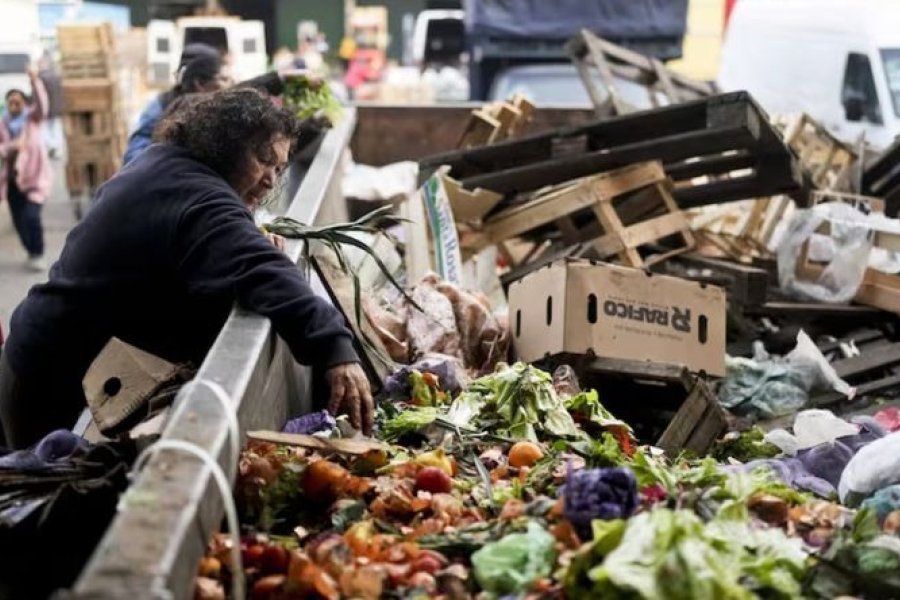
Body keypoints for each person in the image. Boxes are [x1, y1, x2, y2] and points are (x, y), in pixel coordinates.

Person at [0, 86, 373, 449]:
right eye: (263, 159)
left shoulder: (166, 163)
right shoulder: (199, 197)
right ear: (225, 145)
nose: (271, 179)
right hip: (42, 382)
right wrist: (335, 348)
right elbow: (261, 269)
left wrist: (248, 231)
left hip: (41, 355)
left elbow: (218, 240)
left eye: (278, 167)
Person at [124, 44, 302, 166]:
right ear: (199, 82)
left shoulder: (210, 112)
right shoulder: (162, 109)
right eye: (224, 79)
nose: (230, 85)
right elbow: (134, 159)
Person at [0, 67, 51, 272]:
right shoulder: (2, 124)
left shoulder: (33, 119)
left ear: (24, 103)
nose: (14, 104)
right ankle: (30, 250)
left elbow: (43, 105)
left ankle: (38, 252)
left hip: (35, 179)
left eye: (18, 100)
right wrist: (10, 147)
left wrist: (35, 81)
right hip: (12, 181)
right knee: (19, 223)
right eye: (10, 101)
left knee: (31, 216)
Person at [37, 52, 64, 158]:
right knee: (55, 128)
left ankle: (52, 147)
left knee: (46, 129)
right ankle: (56, 148)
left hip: (47, 108)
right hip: (57, 108)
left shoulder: (41, 78)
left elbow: (40, 96)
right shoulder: (56, 76)